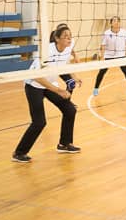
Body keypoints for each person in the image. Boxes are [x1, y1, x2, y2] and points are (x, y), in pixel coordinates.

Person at [12, 24, 81, 162]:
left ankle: (64, 144)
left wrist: (74, 77)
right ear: (56, 39)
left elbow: (63, 64)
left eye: (70, 36)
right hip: (34, 85)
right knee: (39, 122)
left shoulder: (68, 47)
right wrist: (58, 90)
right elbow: (37, 76)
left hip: (50, 84)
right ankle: (19, 153)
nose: (69, 39)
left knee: (70, 110)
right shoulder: (46, 51)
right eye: (65, 37)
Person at [93, 17, 126, 97]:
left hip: (121, 56)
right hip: (108, 55)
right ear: (111, 23)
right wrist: (102, 57)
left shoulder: (124, 32)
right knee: (101, 72)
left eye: (118, 21)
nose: (116, 22)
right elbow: (103, 45)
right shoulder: (106, 33)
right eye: (114, 21)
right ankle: (96, 88)